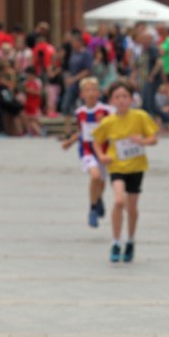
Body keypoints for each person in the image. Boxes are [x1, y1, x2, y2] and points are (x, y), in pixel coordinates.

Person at [92, 79, 158, 263]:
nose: (121, 100)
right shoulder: (108, 121)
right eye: (117, 97)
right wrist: (102, 156)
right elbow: (96, 141)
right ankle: (115, 242)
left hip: (137, 167)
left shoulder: (140, 116)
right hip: (117, 167)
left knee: (132, 207)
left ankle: (130, 240)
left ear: (131, 99)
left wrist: (141, 141)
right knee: (119, 200)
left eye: (125, 96)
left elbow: (154, 139)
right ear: (111, 100)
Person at [61, 76, 113, 228]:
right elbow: (82, 131)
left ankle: (98, 199)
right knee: (95, 176)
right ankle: (92, 209)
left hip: (103, 151)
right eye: (87, 90)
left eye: (93, 90)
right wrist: (70, 142)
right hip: (87, 150)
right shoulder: (80, 112)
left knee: (101, 182)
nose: (90, 93)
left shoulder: (106, 111)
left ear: (98, 93)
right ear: (82, 94)